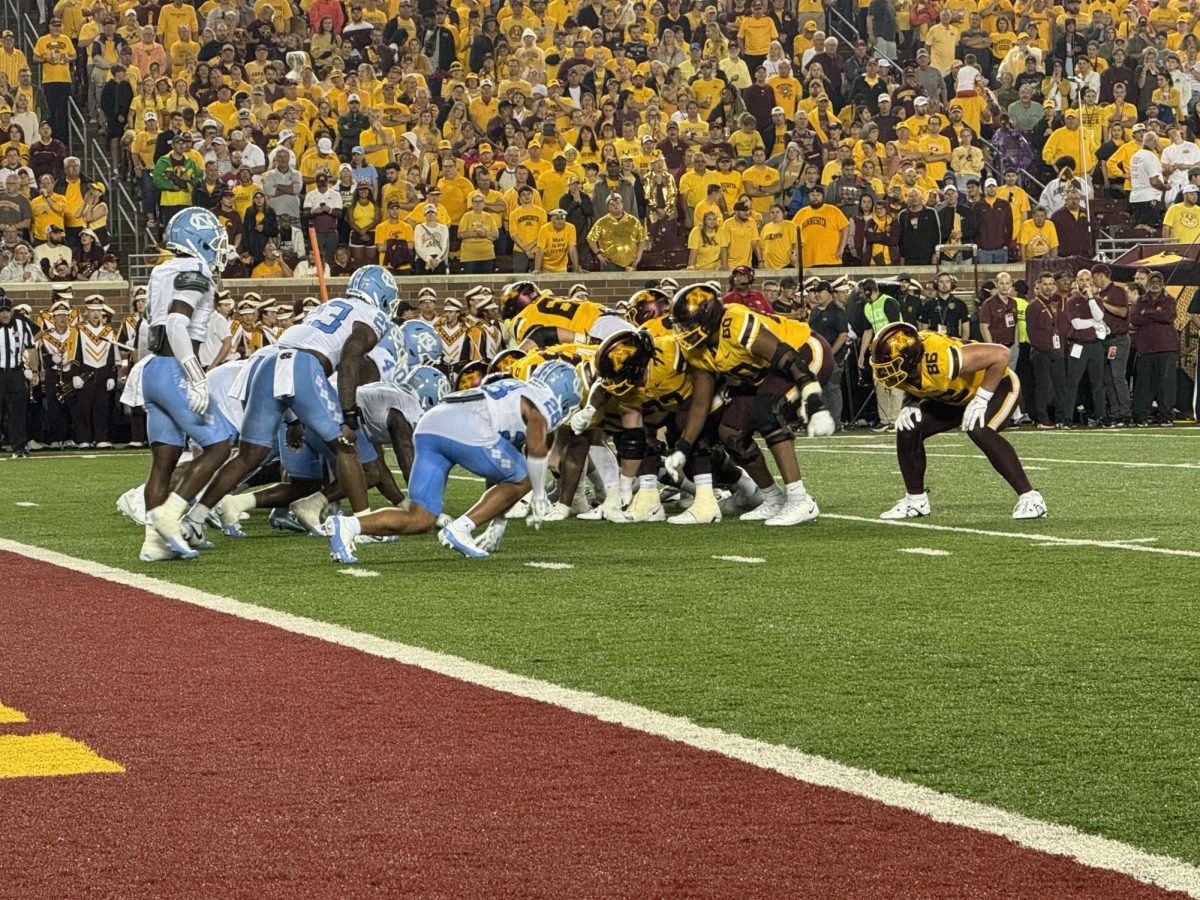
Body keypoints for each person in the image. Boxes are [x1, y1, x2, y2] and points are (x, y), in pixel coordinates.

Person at [199, 266, 398, 543]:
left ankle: (194, 517)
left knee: (249, 455)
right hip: (304, 366)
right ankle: (362, 524)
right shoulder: (372, 315)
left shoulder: (329, 306)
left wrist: (293, 420)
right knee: (345, 446)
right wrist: (349, 415)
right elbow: (351, 357)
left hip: (272, 361)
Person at [324, 361, 583, 562]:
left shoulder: (517, 386)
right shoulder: (545, 401)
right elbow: (535, 445)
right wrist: (538, 491)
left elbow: (499, 478)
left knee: (421, 517)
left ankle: (348, 525)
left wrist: (498, 520)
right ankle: (459, 529)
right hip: (468, 426)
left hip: (431, 425)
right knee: (527, 474)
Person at [666, 283, 835, 526]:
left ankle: (800, 499)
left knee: (768, 411)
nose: (684, 331)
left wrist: (813, 398)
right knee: (730, 431)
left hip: (803, 351)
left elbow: (787, 357)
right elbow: (700, 405)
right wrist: (683, 447)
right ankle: (772, 497)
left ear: (709, 317)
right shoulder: (696, 349)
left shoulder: (734, 323)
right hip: (763, 371)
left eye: (689, 323)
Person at [136, 207, 236, 561]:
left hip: (153, 370)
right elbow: (178, 324)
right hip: (176, 370)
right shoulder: (195, 270)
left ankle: (152, 543)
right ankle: (169, 516)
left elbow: (153, 327)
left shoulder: (162, 270)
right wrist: (195, 376)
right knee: (220, 446)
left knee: (163, 461)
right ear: (199, 242)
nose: (220, 250)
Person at [870, 321, 1047, 520]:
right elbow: (915, 384)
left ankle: (1031, 498)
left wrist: (982, 397)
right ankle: (916, 501)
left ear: (911, 358)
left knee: (979, 429)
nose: (885, 372)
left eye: (891, 365)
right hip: (955, 397)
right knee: (909, 427)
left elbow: (1001, 354)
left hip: (997, 386)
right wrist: (910, 403)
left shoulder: (940, 357)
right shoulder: (907, 368)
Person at [1130, 273, 1180, 426]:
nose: (1155, 284)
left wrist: (1148, 313)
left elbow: (1168, 317)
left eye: (1158, 281)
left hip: (1166, 347)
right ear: (1147, 284)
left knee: (1166, 384)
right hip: (1146, 348)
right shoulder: (1141, 300)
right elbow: (1135, 319)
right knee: (1144, 384)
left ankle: (1166, 416)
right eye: (1152, 281)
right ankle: (1142, 416)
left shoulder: (1169, 300)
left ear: (1163, 283)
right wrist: (1156, 313)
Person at [807, 280, 848, 429]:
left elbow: (843, 334)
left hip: (833, 359)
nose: (817, 295)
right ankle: (824, 422)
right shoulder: (816, 312)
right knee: (820, 389)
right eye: (815, 292)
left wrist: (829, 353)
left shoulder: (837, 311)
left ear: (829, 294)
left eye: (820, 292)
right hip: (818, 359)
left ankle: (835, 422)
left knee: (832, 389)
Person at [0, 293, 35, 457]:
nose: (4, 314)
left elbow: (32, 347)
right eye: (1, 311)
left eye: (7, 310)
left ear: (12, 311)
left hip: (16, 373)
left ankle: (19, 447)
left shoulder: (22, 325)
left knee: (18, 413)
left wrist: (34, 370)